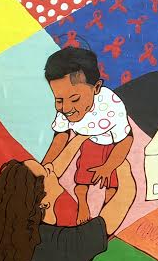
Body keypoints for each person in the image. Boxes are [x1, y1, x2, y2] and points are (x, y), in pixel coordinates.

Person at [0, 133, 135, 261]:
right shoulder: (71, 242)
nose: (49, 167)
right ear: (43, 201)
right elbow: (127, 193)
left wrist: (81, 137)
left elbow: (52, 170)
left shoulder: (14, 239)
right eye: (45, 172)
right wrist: (117, 155)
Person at [40, 47, 133, 224]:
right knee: (82, 179)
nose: (66, 108)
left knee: (111, 182)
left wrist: (108, 166)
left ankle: (106, 212)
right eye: (59, 100)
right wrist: (45, 166)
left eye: (74, 99)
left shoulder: (112, 106)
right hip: (89, 142)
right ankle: (83, 203)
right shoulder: (65, 109)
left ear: (96, 88)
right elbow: (61, 136)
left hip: (111, 143)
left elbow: (126, 140)